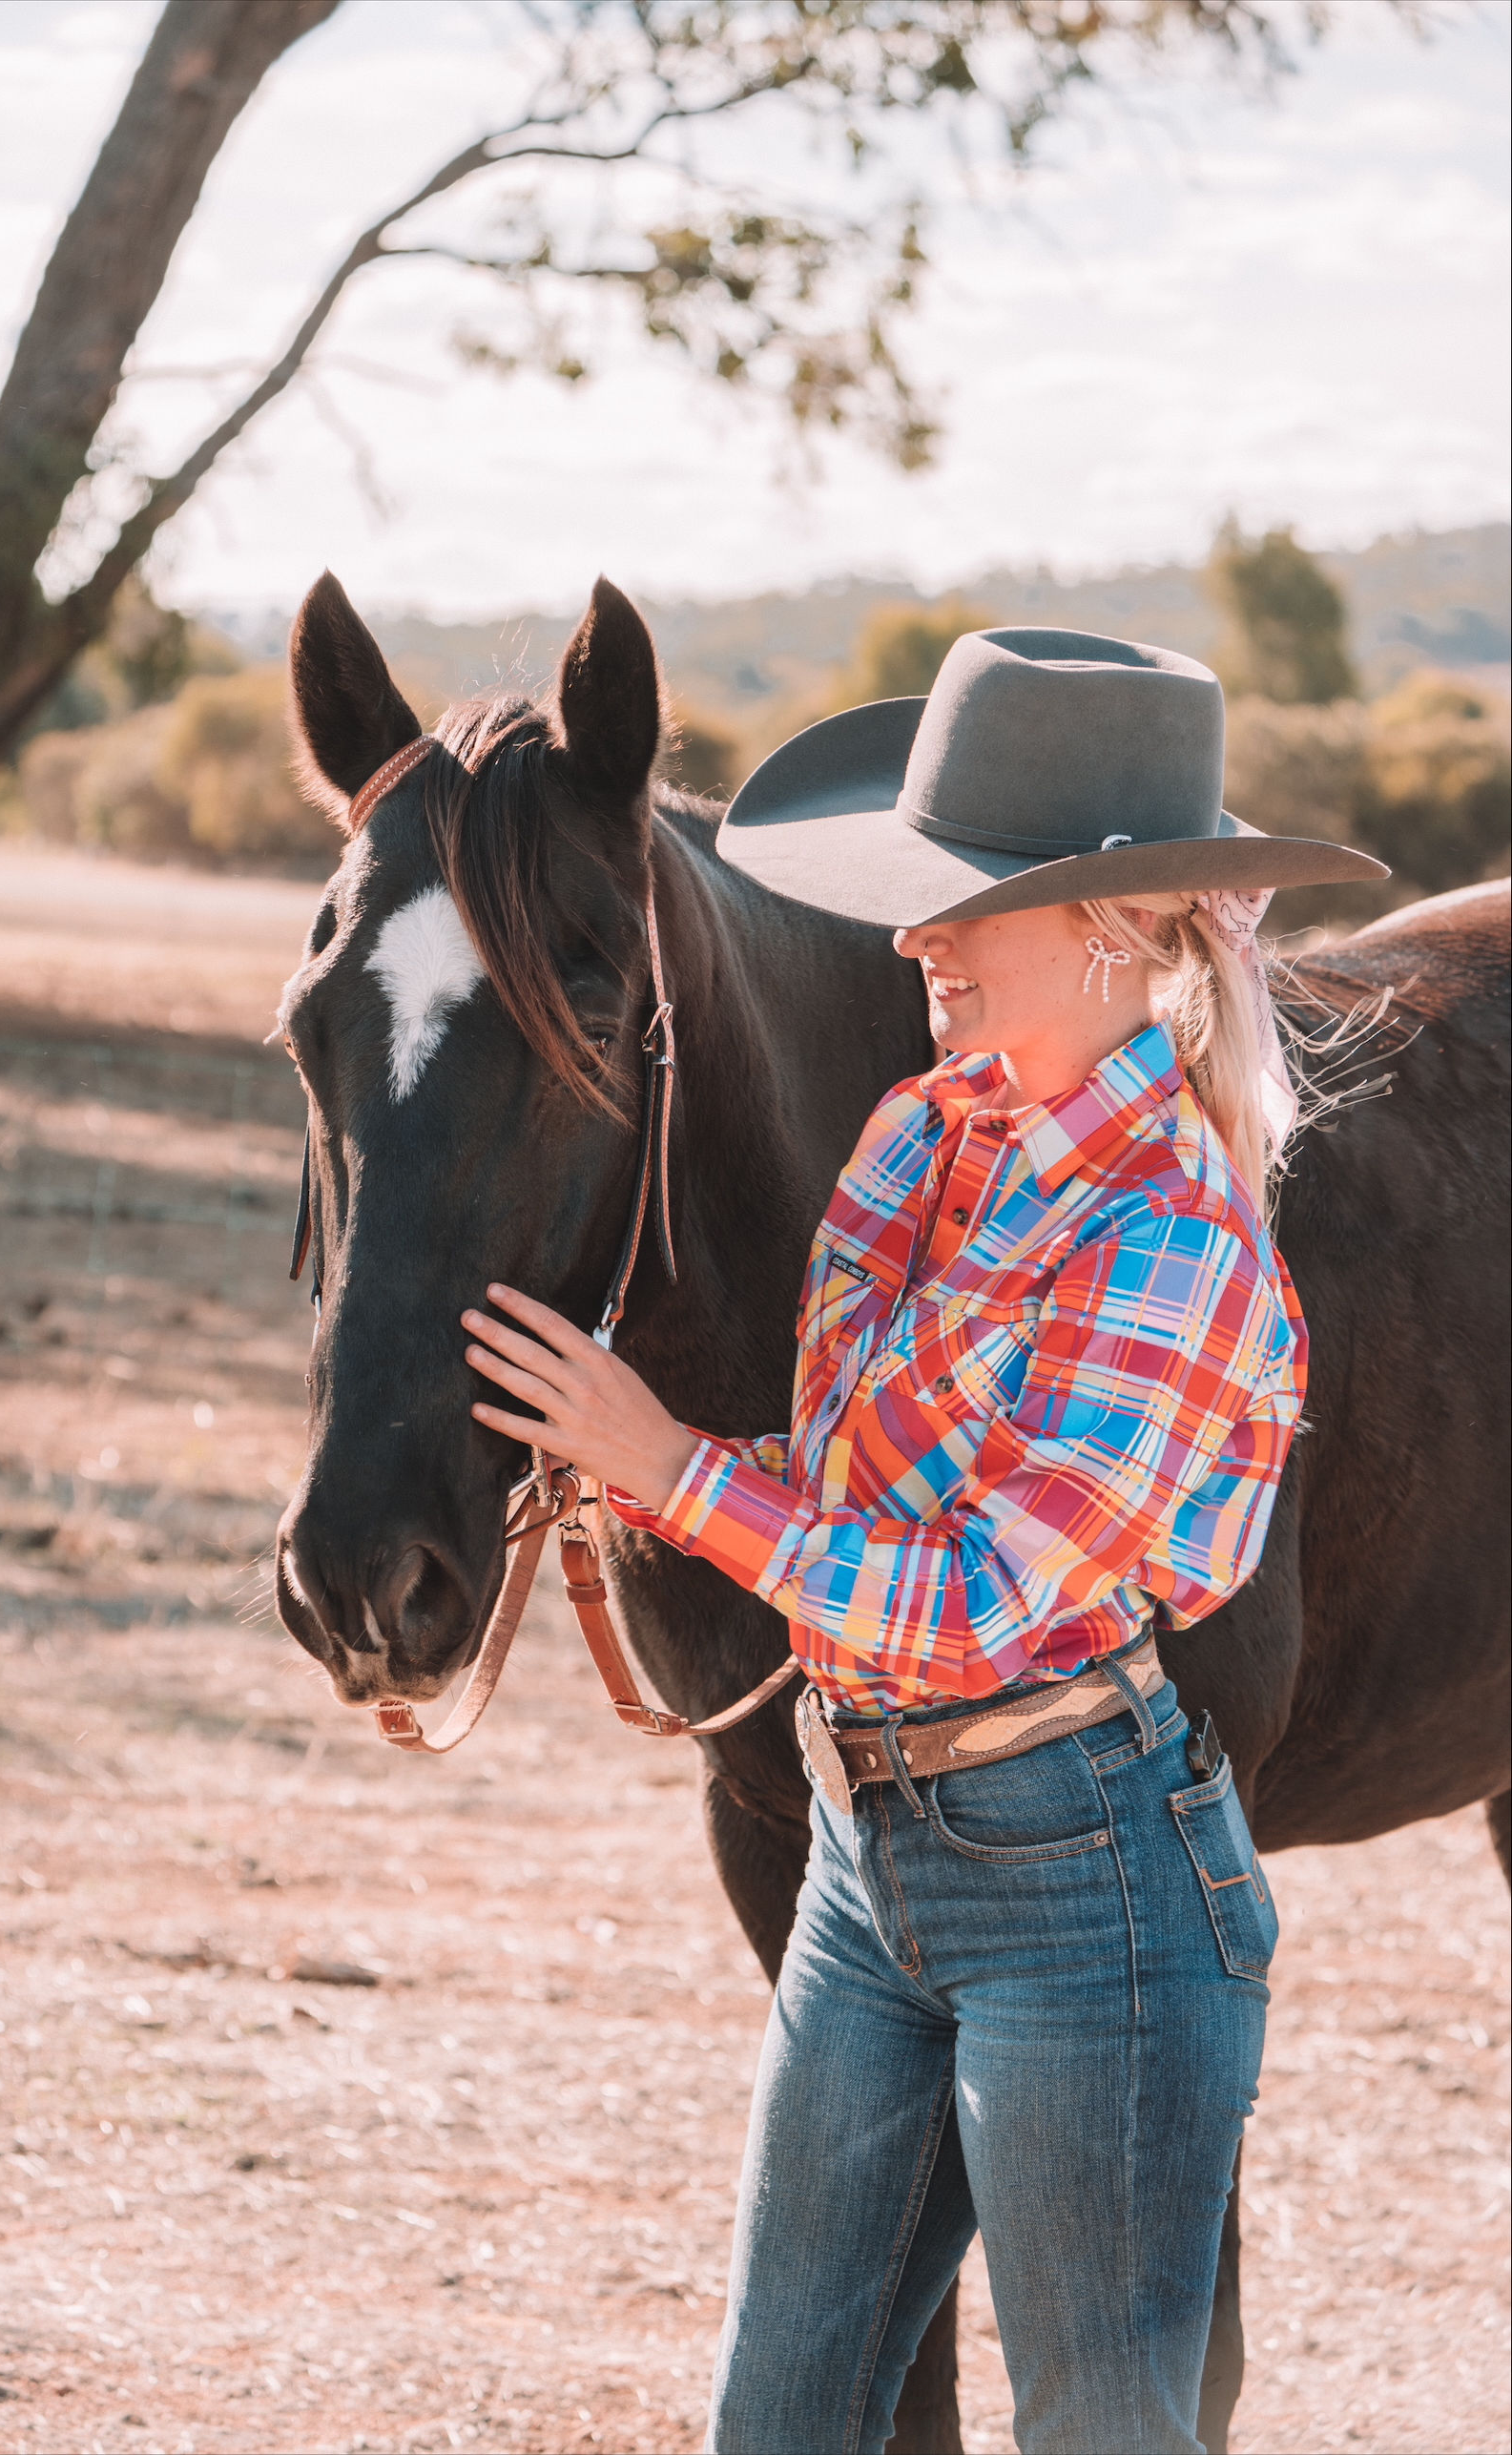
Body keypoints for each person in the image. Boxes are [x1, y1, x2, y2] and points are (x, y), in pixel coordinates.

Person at [459, 629, 1386, 2455]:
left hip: (1092, 1891)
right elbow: (852, 1475)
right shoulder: (922, 1136)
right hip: (862, 1852)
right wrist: (636, 1450)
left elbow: (971, 1601)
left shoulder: (1176, 1241)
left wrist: (664, 1468)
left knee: (1104, 2429)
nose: (913, 941)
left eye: (961, 902)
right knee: (783, 2419)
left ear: (1118, 930)